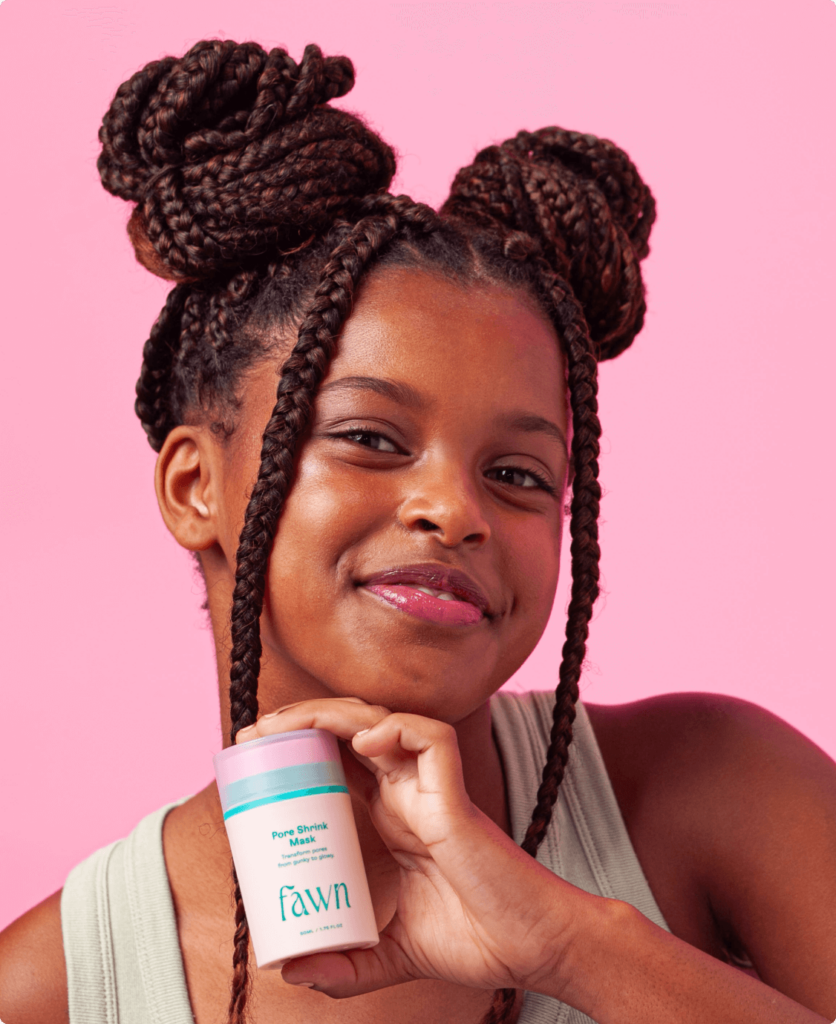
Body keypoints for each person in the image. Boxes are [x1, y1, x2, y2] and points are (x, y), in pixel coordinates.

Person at [0, 37, 834, 1024]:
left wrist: (568, 943)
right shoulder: (58, 988)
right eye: (368, 436)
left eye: (518, 473)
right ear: (194, 486)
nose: (453, 508)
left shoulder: (712, 789)